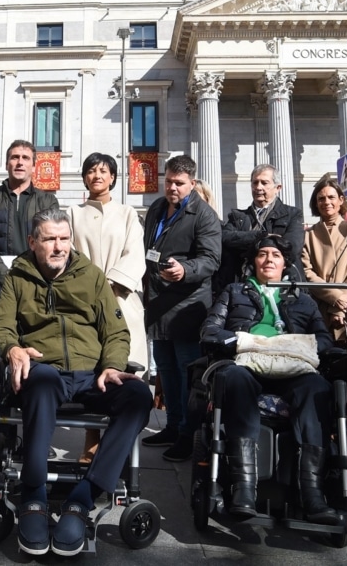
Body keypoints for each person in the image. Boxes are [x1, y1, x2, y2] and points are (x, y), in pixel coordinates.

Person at [0, 209, 150, 557]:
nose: (58, 246)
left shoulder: (90, 276)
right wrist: (12, 348)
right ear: (33, 242)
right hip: (44, 372)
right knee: (42, 378)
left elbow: (116, 332)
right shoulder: (18, 277)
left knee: (138, 395)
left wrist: (111, 366)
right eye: (49, 239)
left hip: (92, 375)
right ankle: (34, 497)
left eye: (64, 238)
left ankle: (83, 498)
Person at [201, 234, 340, 525]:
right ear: (253, 261)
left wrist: (293, 347)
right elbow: (210, 332)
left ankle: (313, 493)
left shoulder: (303, 298)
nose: (268, 260)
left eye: (275, 256)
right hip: (247, 364)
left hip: (294, 370)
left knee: (317, 387)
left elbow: (324, 340)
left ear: (285, 264)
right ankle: (244, 489)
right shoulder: (234, 291)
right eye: (262, 254)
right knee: (234, 379)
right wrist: (246, 341)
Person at [140, 155, 222, 462]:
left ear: (192, 183)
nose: (172, 187)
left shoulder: (204, 215)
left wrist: (185, 269)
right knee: (166, 371)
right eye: (169, 181)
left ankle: (189, 434)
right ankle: (172, 426)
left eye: (179, 183)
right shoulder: (157, 209)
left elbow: (211, 259)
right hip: (159, 304)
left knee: (189, 374)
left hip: (188, 305)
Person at [67, 153, 147, 463]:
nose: (97, 175)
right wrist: (90, 288)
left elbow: (134, 254)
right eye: (91, 170)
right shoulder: (72, 213)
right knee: (91, 369)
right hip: (83, 303)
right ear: (84, 178)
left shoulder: (127, 214)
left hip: (122, 301)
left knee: (123, 371)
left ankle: (117, 449)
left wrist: (112, 286)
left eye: (103, 170)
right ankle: (90, 445)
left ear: (113, 177)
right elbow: (69, 255)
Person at [0, 140, 59, 377]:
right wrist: (7, 277)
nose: (20, 162)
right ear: (7, 163)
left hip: (36, 285)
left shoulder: (47, 200)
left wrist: (30, 276)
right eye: (14, 157)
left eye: (25, 158)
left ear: (34, 165)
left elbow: (51, 241)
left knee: (36, 341)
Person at [300, 178, 347, 467]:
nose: (326, 203)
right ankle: (327, 435)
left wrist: (346, 300)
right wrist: (333, 299)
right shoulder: (308, 235)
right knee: (322, 374)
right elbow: (306, 272)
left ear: (341, 200)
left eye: (331, 197)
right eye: (320, 198)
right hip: (320, 312)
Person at [219, 164, 305, 293]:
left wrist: (244, 242)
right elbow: (225, 238)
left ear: (278, 188)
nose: (258, 187)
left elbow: (292, 248)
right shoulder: (238, 217)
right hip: (243, 286)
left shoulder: (293, 214)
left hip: (283, 287)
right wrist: (262, 236)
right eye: (255, 183)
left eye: (264, 183)